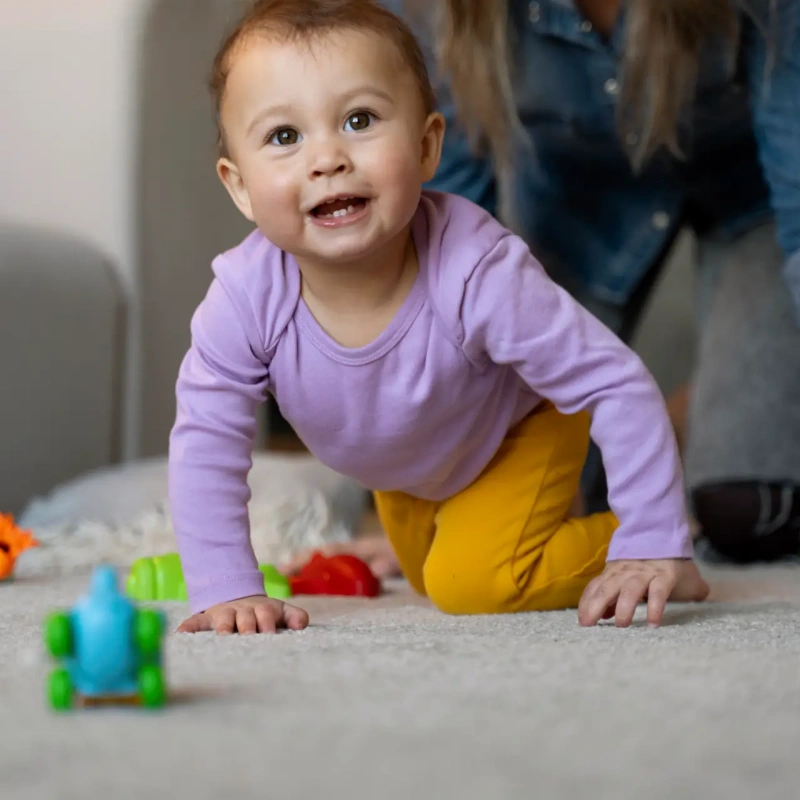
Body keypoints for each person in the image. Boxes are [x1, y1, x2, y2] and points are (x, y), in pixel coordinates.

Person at [168, 0, 710, 636]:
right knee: (426, 576)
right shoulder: (244, 299)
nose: (327, 157)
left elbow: (613, 380)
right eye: (284, 137)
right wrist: (226, 586)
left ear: (427, 147)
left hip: (518, 431)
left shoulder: (477, 270)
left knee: (472, 581)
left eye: (359, 120)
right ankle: (519, 527)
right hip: (412, 465)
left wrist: (653, 538)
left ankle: (658, 540)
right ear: (239, 186)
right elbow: (206, 442)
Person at [298, 0, 800, 574]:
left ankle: (694, 411)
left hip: (755, 195)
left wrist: (656, 538)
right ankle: (684, 414)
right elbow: (443, 212)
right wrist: (452, 507)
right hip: (573, 201)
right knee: (542, 493)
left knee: (744, 511)